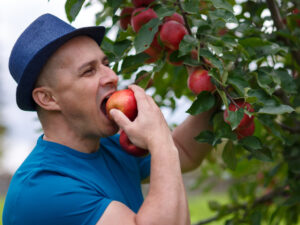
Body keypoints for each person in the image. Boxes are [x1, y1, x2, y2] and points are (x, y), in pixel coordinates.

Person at [2, 14, 213, 225]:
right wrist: (159, 140)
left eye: (105, 63)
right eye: (88, 71)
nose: (112, 76)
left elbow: (184, 152)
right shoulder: (44, 189)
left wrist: (213, 94)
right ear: (48, 98)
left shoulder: (109, 148)